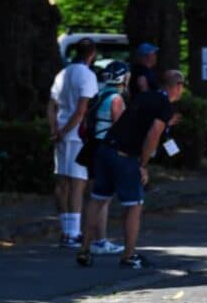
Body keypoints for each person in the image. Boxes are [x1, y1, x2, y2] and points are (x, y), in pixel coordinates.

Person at [76, 69, 186, 269]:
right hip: (126, 157)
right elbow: (153, 135)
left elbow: (137, 121)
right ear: (177, 86)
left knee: (98, 199)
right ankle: (128, 255)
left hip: (105, 149)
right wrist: (143, 165)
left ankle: (84, 249)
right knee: (134, 205)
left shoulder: (144, 97)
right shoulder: (164, 105)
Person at [48, 37, 98, 248]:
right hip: (77, 135)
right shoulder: (87, 75)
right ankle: (74, 233)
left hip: (60, 133)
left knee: (62, 183)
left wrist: (55, 130)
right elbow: (81, 110)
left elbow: (51, 105)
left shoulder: (62, 73)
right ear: (92, 54)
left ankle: (65, 231)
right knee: (78, 182)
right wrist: (66, 131)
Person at [84, 61, 129, 255]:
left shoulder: (99, 95)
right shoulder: (117, 99)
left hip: (94, 147)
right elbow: (121, 129)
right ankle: (100, 241)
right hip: (108, 149)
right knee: (103, 198)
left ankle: (93, 240)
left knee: (97, 197)